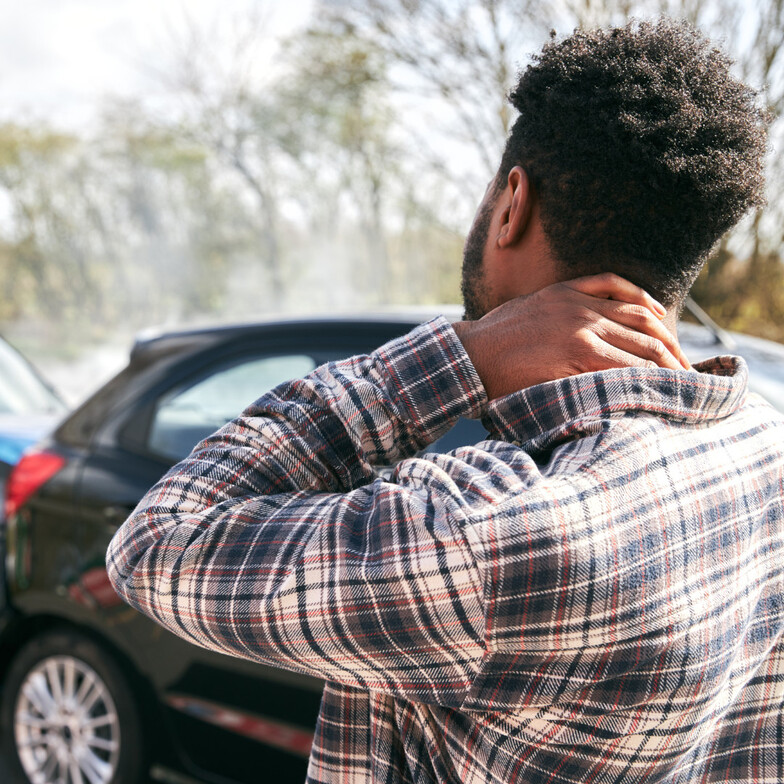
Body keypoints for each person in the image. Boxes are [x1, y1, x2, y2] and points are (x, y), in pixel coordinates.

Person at [107, 17, 782, 784]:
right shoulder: (763, 442)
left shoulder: (486, 534)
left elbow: (159, 543)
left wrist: (462, 354)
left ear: (510, 205)